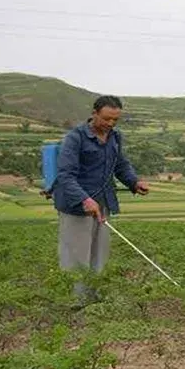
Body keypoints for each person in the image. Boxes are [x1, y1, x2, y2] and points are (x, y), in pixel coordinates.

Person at [53, 95, 149, 305]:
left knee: (100, 252)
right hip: (76, 205)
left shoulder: (115, 137)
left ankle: (95, 298)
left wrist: (134, 182)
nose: (110, 124)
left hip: (103, 201)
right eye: (106, 119)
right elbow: (65, 175)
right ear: (94, 113)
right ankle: (75, 303)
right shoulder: (75, 138)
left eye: (115, 120)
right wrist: (84, 199)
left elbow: (120, 165)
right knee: (77, 255)